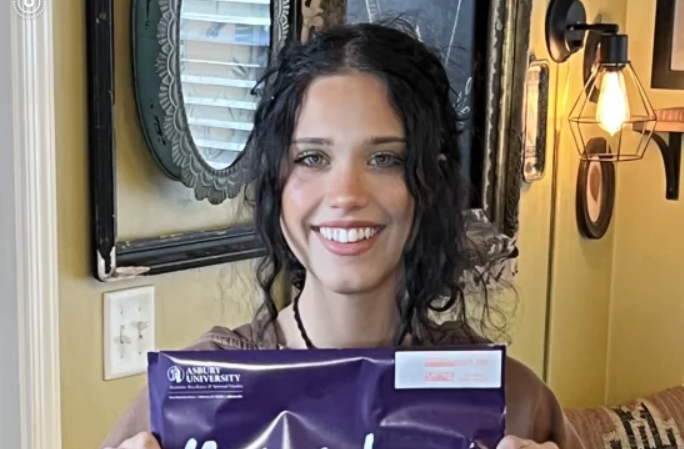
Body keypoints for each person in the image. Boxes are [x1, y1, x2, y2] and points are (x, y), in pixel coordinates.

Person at [100, 21, 583, 449]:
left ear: (431, 183)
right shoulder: (188, 400)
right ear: (275, 183)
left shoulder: (515, 406)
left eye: (385, 159)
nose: (346, 194)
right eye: (312, 158)